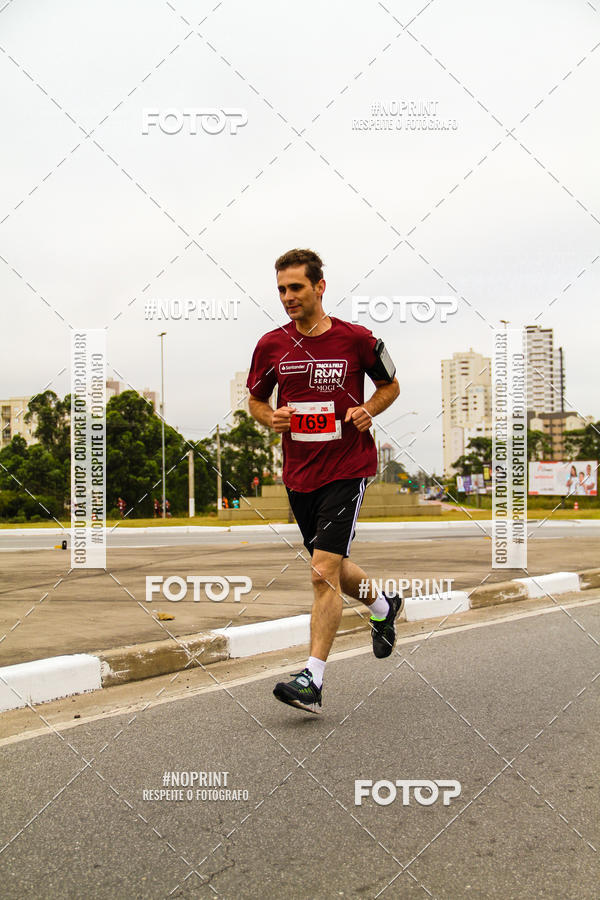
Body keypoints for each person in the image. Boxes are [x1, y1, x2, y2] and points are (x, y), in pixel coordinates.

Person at [247, 248, 401, 713]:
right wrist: (268, 417)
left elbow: (390, 385)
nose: (288, 297)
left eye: (296, 287)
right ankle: (384, 607)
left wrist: (367, 410)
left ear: (320, 287)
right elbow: (255, 399)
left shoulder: (357, 339)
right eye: (281, 289)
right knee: (330, 566)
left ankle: (311, 679)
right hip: (299, 474)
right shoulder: (271, 345)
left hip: (347, 468)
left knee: (320, 573)